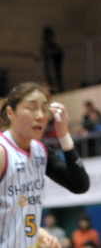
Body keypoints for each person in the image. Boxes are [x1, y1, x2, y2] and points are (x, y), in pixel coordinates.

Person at [0, 82, 89, 248]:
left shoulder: (40, 151)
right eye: (32, 108)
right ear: (10, 112)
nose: (40, 115)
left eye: (44, 109)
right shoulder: (3, 151)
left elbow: (80, 185)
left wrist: (63, 135)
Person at [41, 27, 64, 93]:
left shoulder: (55, 48)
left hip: (56, 68)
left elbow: (60, 56)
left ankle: (59, 90)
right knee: (50, 81)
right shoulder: (45, 48)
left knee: (57, 80)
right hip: (49, 70)